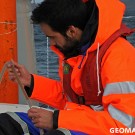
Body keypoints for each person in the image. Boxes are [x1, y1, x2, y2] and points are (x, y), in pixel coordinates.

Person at [5, 0, 135, 134]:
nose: (52, 44)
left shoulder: (119, 57)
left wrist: (56, 120)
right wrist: (31, 82)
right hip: (76, 121)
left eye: (52, 37)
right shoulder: (75, 52)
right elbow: (69, 97)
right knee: (7, 122)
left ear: (71, 31)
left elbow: (122, 126)